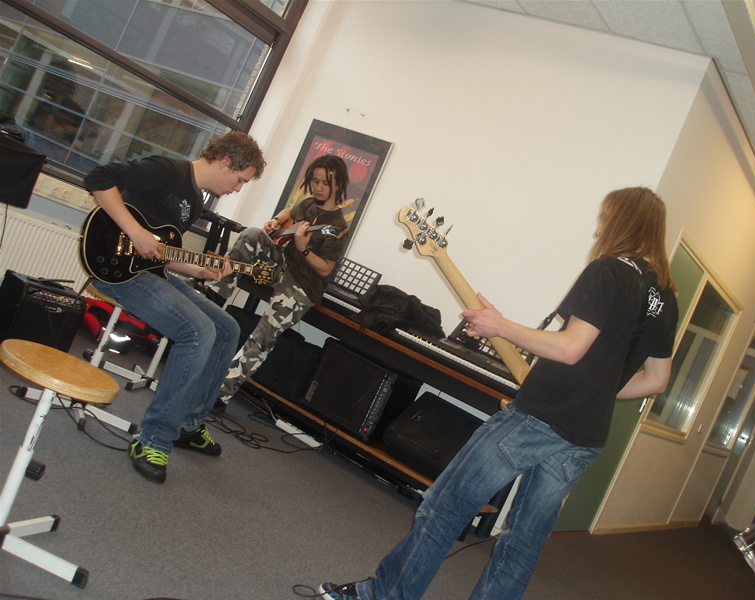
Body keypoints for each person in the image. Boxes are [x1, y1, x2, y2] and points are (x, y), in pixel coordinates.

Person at [318, 186, 679, 600]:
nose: (598, 231)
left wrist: (499, 326)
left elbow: (570, 347)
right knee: (522, 544)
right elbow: (656, 381)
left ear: (625, 222)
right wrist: (597, 390)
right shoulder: (667, 300)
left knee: (445, 507)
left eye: (606, 220)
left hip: (539, 418)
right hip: (586, 437)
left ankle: (383, 596)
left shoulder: (609, 271)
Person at [84, 131, 266, 484]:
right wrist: (135, 231)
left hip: (150, 272)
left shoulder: (195, 199)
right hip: (117, 271)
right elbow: (98, 178)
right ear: (227, 162)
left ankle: (189, 424)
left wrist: (199, 270)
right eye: (240, 180)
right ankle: (152, 439)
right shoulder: (169, 171)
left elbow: (161, 254)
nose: (238, 188)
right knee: (197, 332)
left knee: (226, 328)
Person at [210, 153, 350, 406]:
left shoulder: (337, 226)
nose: (319, 187)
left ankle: (220, 393)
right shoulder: (308, 204)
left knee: (263, 335)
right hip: (282, 264)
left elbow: (325, 269)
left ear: (338, 185)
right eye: (315, 181)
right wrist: (276, 220)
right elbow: (289, 211)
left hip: (303, 284)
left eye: (325, 183)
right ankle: (214, 296)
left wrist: (303, 248)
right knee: (252, 233)